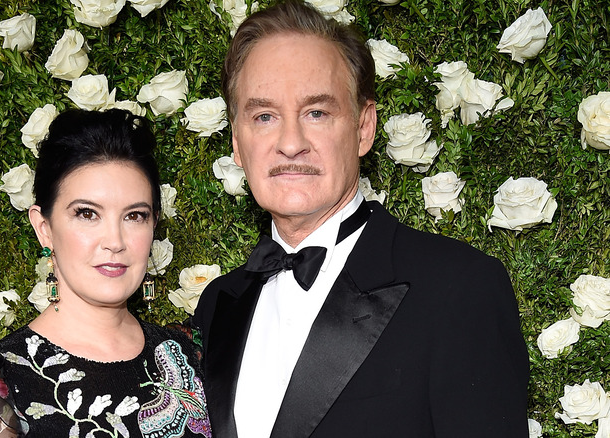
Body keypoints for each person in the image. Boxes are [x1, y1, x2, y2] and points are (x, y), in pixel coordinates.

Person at [193, 2, 529, 437]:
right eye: (264, 116)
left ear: (364, 127)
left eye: (317, 112)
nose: (291, 143)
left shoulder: (459, 287)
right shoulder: (217, 304)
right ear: (237, 143)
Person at [0, 109, 212, 438]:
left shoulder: (189, 355)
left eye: (135, 216)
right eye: (87, 213)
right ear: (44, 228)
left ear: (153, 225)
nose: (115, 242)